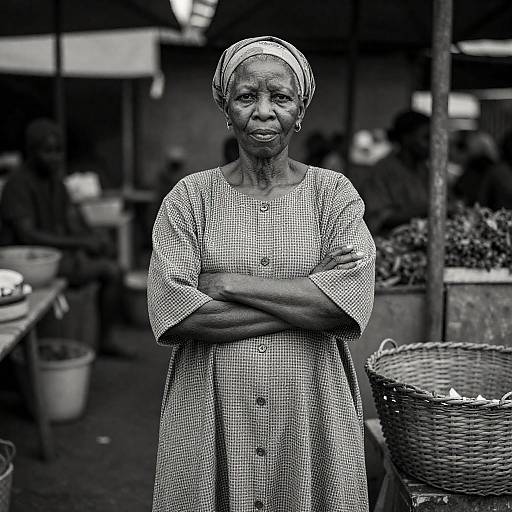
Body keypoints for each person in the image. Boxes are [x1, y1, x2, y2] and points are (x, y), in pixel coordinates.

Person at [148, 36, 375, 512]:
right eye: (247, 96)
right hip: (211, 414)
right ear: (225, 108)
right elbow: (178, 317)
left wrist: (227, 284)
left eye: (281, 97)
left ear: (301, 109)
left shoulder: (334, 196)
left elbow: (347, 309)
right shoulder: (190, 199)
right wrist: (307, 293)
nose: (264, 111)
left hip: (309, 415)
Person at [0, 118, 132, 358]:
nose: (55, 157)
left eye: (58, 151)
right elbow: (27, 235)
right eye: (47, 151)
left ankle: (106, 335)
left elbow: (71, 218)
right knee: (111, 272)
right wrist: (81, 243)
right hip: (28, 267)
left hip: (56, 259)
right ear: (31, 152)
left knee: (114, 265)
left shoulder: (55, 182)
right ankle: (104, 341)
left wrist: (94, 239)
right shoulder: (17, 185)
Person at [362, 110, 430, 235]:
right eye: (426, 138)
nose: (431, 145)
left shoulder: (425, 170)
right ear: (407, 138)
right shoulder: (381, 172)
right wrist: (430, 208)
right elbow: (382, 218)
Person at [477, 129, 512, 210]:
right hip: (500, 218)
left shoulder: (496, 171)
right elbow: (482, 202)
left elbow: (482, 201)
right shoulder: (497, 172)